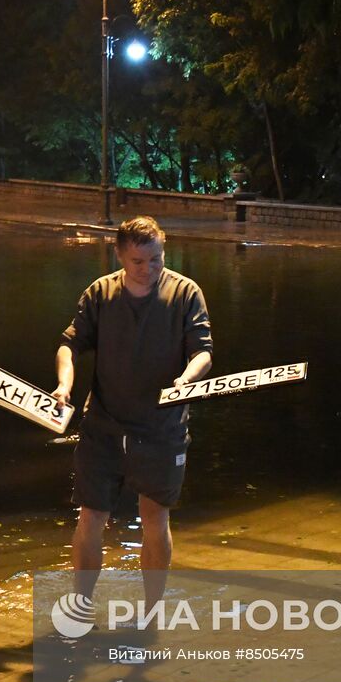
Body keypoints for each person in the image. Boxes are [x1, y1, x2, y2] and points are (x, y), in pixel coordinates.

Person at [52, 216, 212, 609]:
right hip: (104, 424)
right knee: (92, 515)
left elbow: (203, 351)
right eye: (138, 262)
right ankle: (81, 606)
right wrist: (64, 385)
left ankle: (152, 610)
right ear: (120, 256)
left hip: (162, 427)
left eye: (156, 259)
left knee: (154, 518)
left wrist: (186, 380)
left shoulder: (185, 293)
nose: (149, 269)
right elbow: (69, 345)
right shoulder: (100, 293)